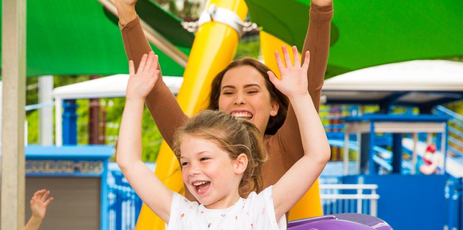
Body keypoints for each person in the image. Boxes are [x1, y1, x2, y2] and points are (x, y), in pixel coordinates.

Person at [117, 48, 329, 230]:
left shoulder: (260, 211)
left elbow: (318, 155)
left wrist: (300, 95)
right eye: (185, 163)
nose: (192, 170)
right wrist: (134, 99)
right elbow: (128, 162)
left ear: (239, 164)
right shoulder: (182, 217)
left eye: (204, 159)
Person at [115, 0, 333, 189]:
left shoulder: (283, 149)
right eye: (228, 92)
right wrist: (126, 14)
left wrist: (321, 10)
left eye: (252, 91)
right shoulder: (196, 146)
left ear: (274, 106)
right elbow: (152, 87)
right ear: (218, 106)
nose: (239, 99)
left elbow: (310, 83)